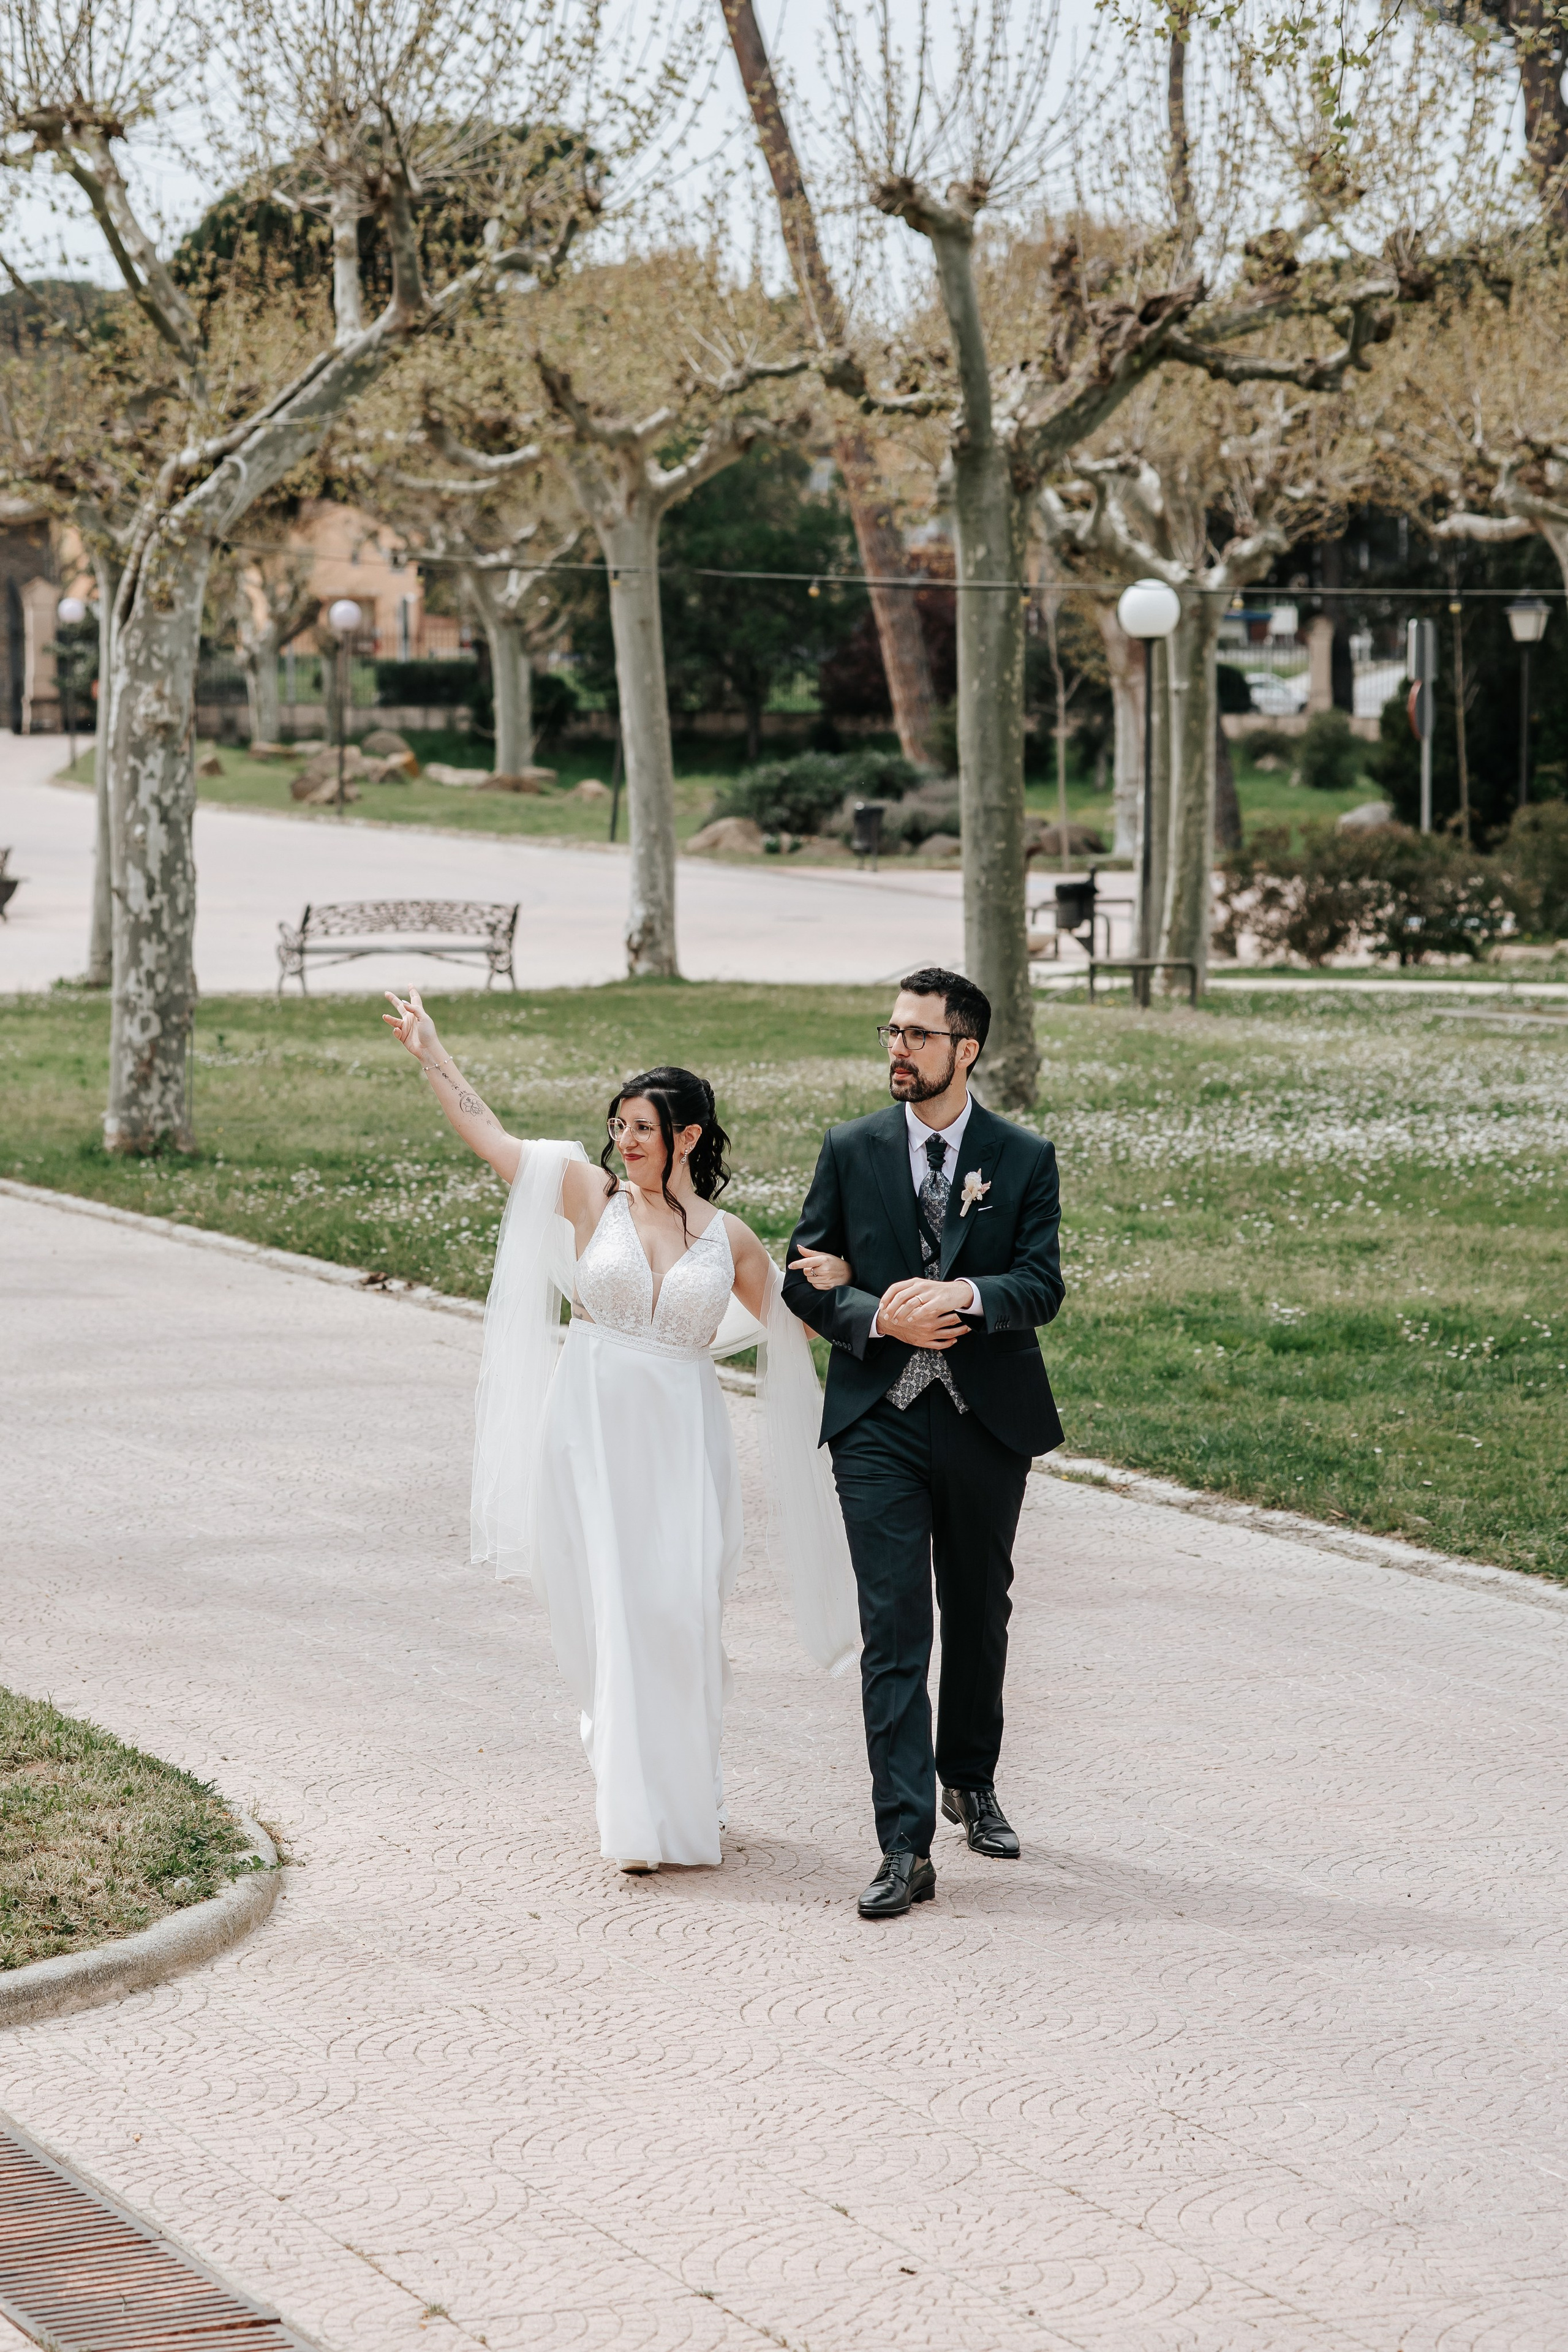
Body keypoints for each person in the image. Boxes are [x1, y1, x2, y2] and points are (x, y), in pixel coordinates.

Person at [383, 989, 858, 1877]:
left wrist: (846, 1278)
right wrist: (432, 1054)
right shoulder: (585, 1193)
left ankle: (686, 1795)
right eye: (620, 1124)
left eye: (644, 1126)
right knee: (615, 1610)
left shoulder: (735, 1242)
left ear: (688, 1136)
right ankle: (634, 1815)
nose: (625, 1140)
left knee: (679, 1612)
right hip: (591, 1433)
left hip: (681, 1440)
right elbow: (489, 1138)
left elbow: (801, 1330)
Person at [783, 967, 1065, 1919]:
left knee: (980, 1609)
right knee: (897, 1628)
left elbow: (1041, 1285)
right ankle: (903, 1844)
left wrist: (964, 1297)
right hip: (879, 1423)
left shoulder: (1023, 1157)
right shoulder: (851, 1147)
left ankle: (969, 1778)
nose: (897, 1048)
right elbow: (803, 1276)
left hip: (988, 1419)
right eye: (890, 1032)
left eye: (917, 1035)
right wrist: (877, 1314)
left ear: (965, 1049)